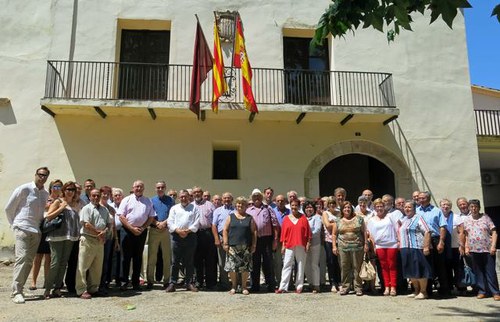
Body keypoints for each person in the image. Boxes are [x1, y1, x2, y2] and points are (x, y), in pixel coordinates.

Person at [5, 167, 50, 304]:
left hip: (35, 231)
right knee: (22, 258)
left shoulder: (45, 194)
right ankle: (16, 292)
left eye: (45, 175)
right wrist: (15, 224)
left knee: (29, 261)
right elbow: (9, 208)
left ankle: (20, 288)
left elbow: (42, 213)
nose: (42, 177)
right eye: (40, 174)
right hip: (22, 228)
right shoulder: (24, 189)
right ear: (35, 174)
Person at [43, 181, 80, 299]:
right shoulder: (58, 201)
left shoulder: (75, 204)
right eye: (68, 189)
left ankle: (57, 288)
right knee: (55, 263)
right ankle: (48, 289)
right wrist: (62, 208)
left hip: (70, 237)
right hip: (57, 236)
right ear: (64, 190)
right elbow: (48, 216)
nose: (70, 192)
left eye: (73, 190)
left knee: (63, 263)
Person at [117, 180, 156, 291]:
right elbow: (121, 216)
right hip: (127, 231)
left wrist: (143, 228)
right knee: (125, 258)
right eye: (136, 187)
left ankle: (135, 283)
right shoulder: (126, 199)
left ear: (143, 188)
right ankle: (124, 282)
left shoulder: (148, 201)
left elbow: (151, 217)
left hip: (141, 232)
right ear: (133, 188)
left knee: (138, 257)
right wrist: (131, 228)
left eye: (140, 187)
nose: (138, 188)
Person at [76, 188, 112, 299]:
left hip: (100, 241)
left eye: (97, 195)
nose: (96, 197)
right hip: (88, 239)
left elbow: (108, 224)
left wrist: (104, 232)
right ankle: (81, 290)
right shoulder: (86, 209)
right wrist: (98, 233)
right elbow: (86, 224)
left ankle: (94, 288)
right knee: (83, 266)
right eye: (93, 196)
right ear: (90, 197)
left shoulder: (104, 210)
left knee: (97, 267)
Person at [462, 199, 500, 301]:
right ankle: (482, 291)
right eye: (472, 207)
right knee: (478, 271)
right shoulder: (467, 220)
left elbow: (494, 232)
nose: (474, 209)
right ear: (469, 208)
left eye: (476, 207)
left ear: (479, 208)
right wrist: (466, 247)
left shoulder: (485, 218)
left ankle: (495, 292)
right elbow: (466, 235)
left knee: (490, 271)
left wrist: (493, 246)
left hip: (487, 249)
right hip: (474, 250)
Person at [29, 179, 62, 291]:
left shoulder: (61, 200)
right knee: (38, 256)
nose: (57, 189)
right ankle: (33, 281)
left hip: (52, 229)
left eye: (59, 187)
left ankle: (46, 281)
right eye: (55, 187)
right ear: (51, 187)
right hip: (42, 226)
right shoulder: (45, 196)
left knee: (48, 257)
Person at [166, 189, 201, 292]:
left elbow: (197, 222)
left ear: (189, 197)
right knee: (175, 261)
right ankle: (172, 283)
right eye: (181, 197)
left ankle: (189, 283)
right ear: (179, 198)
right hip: (176, 237)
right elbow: (170, 222)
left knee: (189, 261)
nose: (183, 198)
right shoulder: (174, 208)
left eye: (185, 196)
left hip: (190, 236)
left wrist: (187, 231)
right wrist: (178, 231)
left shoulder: (194, 208)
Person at [416, 191, 449, 297]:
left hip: (435, 239)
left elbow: (443, 227)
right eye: (419, 198)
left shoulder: (437, 211)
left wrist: (441, 242)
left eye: (423, 198)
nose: (421, 200)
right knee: (426, 265)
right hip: (422, 240)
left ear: (429, 199)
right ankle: (427, 290)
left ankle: (444, 290)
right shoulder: (416, 211)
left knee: (440, 265)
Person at [222, 196, 257, 295]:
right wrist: (225, 243)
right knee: (232, 267)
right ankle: (233, 286)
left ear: (246, 206)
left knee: (245, 267)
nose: (240, 205)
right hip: (232, 246)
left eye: (242, 204)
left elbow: (254, 231)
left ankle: (244, 286)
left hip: (246, 246)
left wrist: (254, 245)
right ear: (236, 205)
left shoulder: (250, 218)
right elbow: (225, 230)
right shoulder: (231, 216)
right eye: (238, 204)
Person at [276, 199, 311, 294]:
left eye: (296, 205)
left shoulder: (303, 218)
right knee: (287, 265)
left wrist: (308, 244)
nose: (294, 207)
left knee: (300, 265)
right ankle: (283, 287)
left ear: (299, 207)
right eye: (292, 205)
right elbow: (284, 233)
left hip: (301, 244)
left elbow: (308, 233)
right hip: (289, 244)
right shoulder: (286, 219)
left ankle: (299, 287)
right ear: (290, 206)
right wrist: (283, 245)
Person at [332, 201, 367, 296]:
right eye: (345, 208)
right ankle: (345, 287)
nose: (347, 209)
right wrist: (334, 246)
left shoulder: (359, 219)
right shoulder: (338, 220)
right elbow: (334, 234)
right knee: (344, 267)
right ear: (342, 210)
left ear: (351, 209)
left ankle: (358, 288)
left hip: (357, 247)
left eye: (348, 207)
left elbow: (364, 232)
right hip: (343, 247)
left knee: (357, 267)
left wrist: (366, 244)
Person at [247, 188, 279, 292]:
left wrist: (275, 240)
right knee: (254, 263)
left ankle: (270, 285)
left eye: (258, 196)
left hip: (266, 239)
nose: (257, 198)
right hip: (254, 240)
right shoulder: (248, 210)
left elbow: (275, 225)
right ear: (252, 198)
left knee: (268, 262)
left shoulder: (268, 208)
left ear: (261, 197)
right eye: (254, 196)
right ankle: (255, 286)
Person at [399, 200, 432, 300]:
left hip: (417, 247)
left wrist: (426, 246)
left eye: (409, 207)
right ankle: (416, 290)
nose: (407, 209)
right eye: (405, 207)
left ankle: (423, 291)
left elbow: (427, 231)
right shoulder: (404, 219)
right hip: (405, 248)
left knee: (420, 270)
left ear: (414, 208)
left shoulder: (419, 218)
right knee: (411, 271)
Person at [366, 198, 399, 296]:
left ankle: (393, 287)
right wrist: (374, 247)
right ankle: (386, 287)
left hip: (392, 244)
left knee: (392, 266)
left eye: (381, 206)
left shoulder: (390, 216)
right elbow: (371, 235)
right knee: (383, 267)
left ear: (384, 207)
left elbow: (397, 229)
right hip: (380, 245)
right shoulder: (371, 220)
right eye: (377, 206)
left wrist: (399, 241)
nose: (379, 208)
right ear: (374, 208)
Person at [147, 181, 174, 289]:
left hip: (166, 230)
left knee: (167, 257)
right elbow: (149, 215)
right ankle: (150, 280)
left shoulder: (170, 200)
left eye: (162, 187)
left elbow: (172, 214)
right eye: (158, 187)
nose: (160, 189)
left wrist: (164, 223)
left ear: (165, 188)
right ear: (155, 188)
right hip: (154, 230)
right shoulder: (151, 200)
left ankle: (167, 281)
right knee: (152, 256)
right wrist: (156, 223)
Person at [192, 186, 217, 290]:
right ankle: (199, 282)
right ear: (193, 194)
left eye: (199, 192)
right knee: (197, 259)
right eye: (195, 192)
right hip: (195, 234)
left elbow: (214, 221)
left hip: (208, 233)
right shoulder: (191, 205)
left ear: (202, 193)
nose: (197, 194)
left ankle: (210, 283)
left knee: (210, 259)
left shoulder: (209, 205)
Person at [440, 198, 465, 295]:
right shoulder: (439, 216)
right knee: (446, 268)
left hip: (455, 247)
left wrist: (461, 245)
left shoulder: (456, 217)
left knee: (458, 268)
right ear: (440, 206)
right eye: (443, 205)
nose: (445, 207)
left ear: (451, 206)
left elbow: (461, 232)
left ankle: (461, 287)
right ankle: (449, 287)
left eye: (447, 205)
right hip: (443, 247)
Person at [211, 192, 234, 290]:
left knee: (235, 261)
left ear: (232, 199)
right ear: (222, 200)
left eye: (228, 198)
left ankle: (235, 283)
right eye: (224, 198)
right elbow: (214, 225)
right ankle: (224, 284)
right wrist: (216, 238)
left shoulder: (236, 210)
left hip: (233, 238)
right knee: (222, 262)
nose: (226, 200)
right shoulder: (217, 211)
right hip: (220, 237)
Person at [321, 197, 341, 292]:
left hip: (340, 240)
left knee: (339, 262)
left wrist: (333, 223)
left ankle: (340, 282)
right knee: (331, 261)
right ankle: (333, 282)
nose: (332, 205)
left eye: (333, 203)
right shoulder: (325, 213)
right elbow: (327, 225)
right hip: (328, 240)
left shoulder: (339, 212)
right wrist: (336, 223)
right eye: (330, 203)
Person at [303, 201, 322, 293]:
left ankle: (316, 285)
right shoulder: (302, 218)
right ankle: (310, 283)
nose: (308, 209)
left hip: (314, 243)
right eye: (306, 207)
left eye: (310, 207)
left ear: (314, 209)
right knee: (306, 264)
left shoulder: (317, 218)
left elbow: (317, 230)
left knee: (314, 264)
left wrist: (307, 236)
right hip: (304, 244)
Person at [272, 194, 290, 286]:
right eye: (278, 201)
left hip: (289, 240)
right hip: (277, 239)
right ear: (275, 202)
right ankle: (279, 281)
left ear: (285, 202)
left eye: (282, 200)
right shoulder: (272, 211)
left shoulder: (290, 212)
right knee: (278, 262)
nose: (280, 202)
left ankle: (289, 282)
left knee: (289, 262)